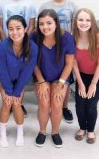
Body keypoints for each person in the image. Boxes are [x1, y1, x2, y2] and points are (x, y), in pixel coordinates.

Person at [32, 9, 75, 148]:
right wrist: (42, 81)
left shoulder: (66, 37)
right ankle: (42, 131)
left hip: (61, 76)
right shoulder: (34, 36)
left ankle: (55, 132)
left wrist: (61, 82)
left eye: (49, 23)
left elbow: (69, 64)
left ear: (56, 23)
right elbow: (33, 63)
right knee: (44, 103)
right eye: (41, 24)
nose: (45, 27)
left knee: (57, 104)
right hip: (42, 75)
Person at [38, 0, 77, 123]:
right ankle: (48, 107)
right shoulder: (45, 6)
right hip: (48, 45)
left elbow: (76, 26)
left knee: (64, 76)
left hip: (65, 45)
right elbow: (40, 25)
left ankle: (64, 108)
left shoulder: (72, 5)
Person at [0, 0, 37, 117]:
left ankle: (19, 103)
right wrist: (7, 43)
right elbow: (1, 26)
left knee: (22, 74)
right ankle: (7, 103)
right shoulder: (2, 4)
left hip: (23, 44)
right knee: (6, 73)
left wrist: (22, 41)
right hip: (8, 44)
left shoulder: (30, 4)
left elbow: (31, 26)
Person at [0, 15, 38, 147]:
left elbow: (27, 72)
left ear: (25, 28)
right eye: (11, 29)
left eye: (18, 28)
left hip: (20, 81)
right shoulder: (3, 46)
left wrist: (17, 92)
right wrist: (9, 91)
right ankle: (3, 132)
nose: (15, 32)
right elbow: (2, 69)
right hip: (6, 80)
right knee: (7, 103)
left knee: (17, 104)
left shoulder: (32, 47)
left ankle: (20, 133)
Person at [72, 8, 99, 144]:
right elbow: (73, 63)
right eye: (81, 19)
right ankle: (82, 127)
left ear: (92, 22)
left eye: (87, 20)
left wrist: (93, 84)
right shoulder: (73, 38)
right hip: (82, 75)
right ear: (76, 22)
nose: (84, 23)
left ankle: (91, 130)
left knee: (91, 104)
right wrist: (80, 83)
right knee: (79, 104)